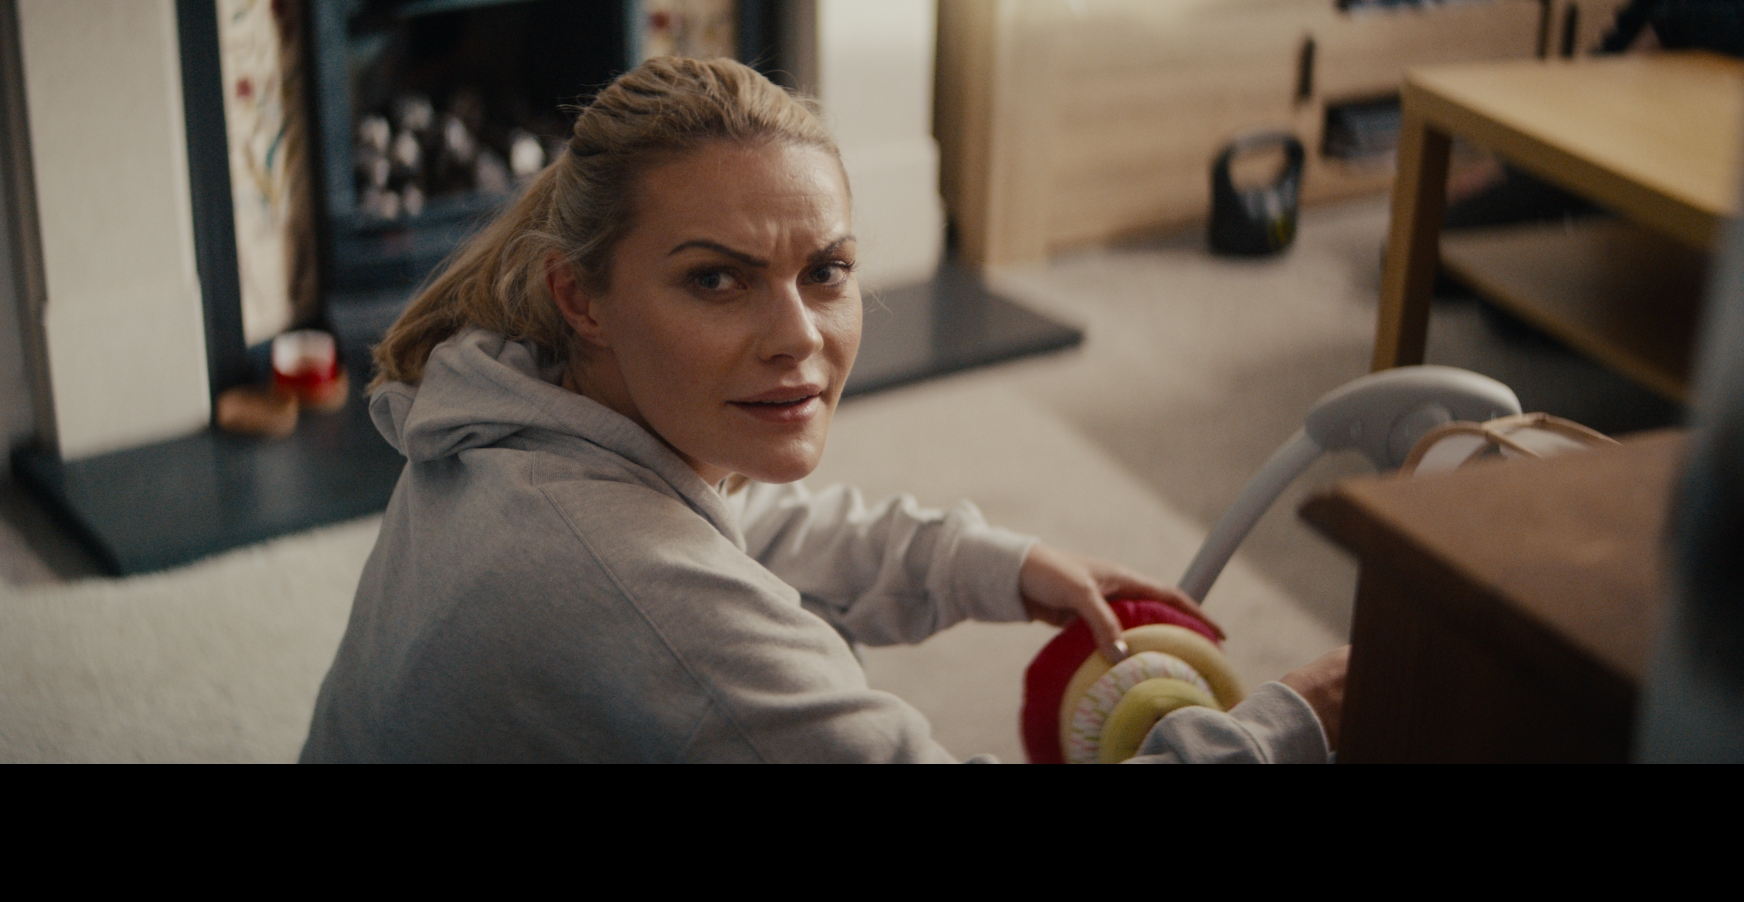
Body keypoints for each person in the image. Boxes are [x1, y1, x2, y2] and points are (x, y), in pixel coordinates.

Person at [301, 57, 1346, 763]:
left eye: (827, 270)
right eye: (717, 279)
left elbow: (736, 532)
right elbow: (678, 587)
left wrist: (989, 564)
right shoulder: (631, 592)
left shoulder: (529, 399)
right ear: (584, 297)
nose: (798, 334)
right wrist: (1291, 725)